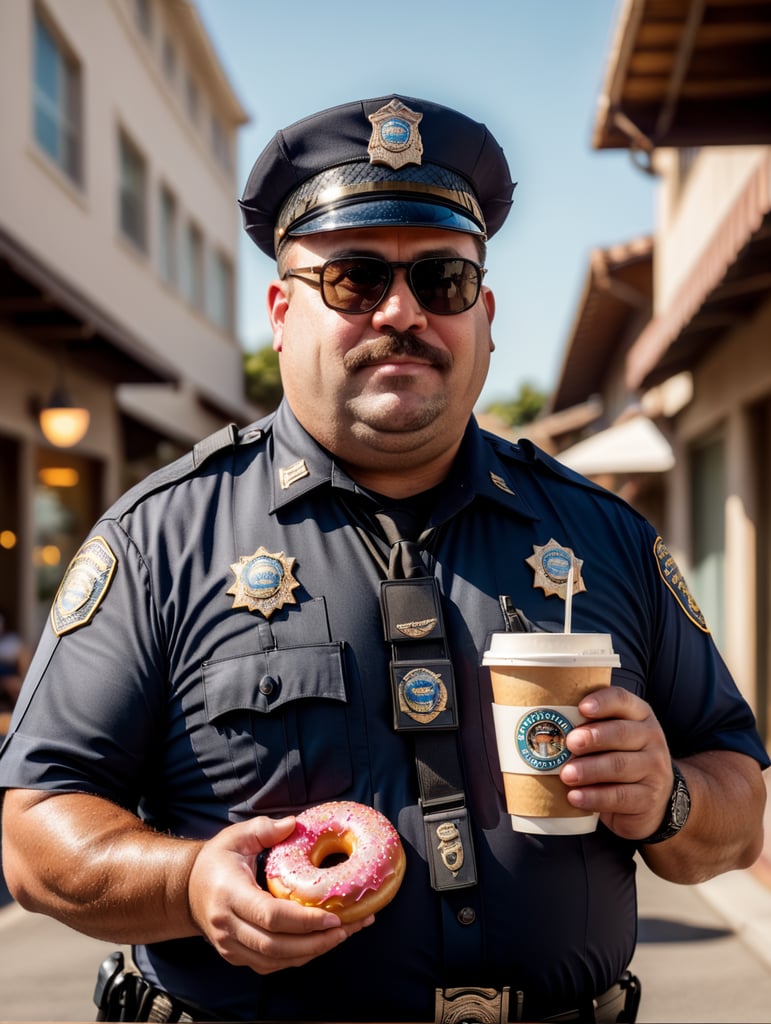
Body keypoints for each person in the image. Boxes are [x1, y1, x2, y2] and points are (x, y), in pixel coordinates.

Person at [0, 94, 768, 1024]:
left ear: (483, 315)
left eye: (442, 280)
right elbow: (36, 833)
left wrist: (671, 797)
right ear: (282, 312)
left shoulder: (607, 539)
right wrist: (188, 882)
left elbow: (736, 796)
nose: (401, 313)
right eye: (354, 281)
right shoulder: (159, 539)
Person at [0, 610, 29, 715]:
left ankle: (20, 714)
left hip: (9, 678)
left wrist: (22, 681)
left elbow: (23, 663)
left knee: (15, 686)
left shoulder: (12, 641)